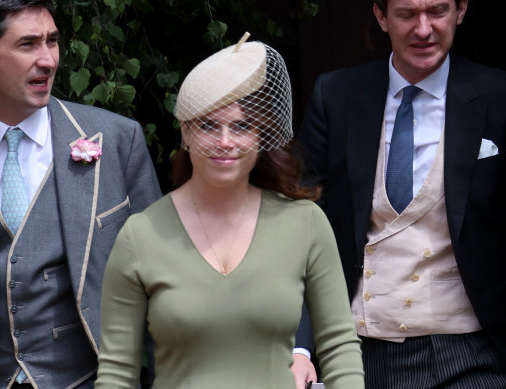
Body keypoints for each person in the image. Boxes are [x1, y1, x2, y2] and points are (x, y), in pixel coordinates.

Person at [95, 33, 364, 389]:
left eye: (241, 126)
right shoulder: (140, 236)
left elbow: (339, 347)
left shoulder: (305, 223)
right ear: (186, 132)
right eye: (208, 125)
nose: (225, 141)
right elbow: (117, 373)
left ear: (260, 137)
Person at [0, 0, 161, 388]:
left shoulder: (118, 139)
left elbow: (158, 281)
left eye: (52, 41)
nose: (48, 60)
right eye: (28, 44)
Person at [297, 0, 506, 387]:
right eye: (407, 14)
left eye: (438, 11)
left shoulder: (499, 95)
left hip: (470, 351)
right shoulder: (336, 95)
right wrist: (301, 346)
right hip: (355, 349)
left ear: (461, 10)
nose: (423, 30)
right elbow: (301, 230)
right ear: (381, 16)